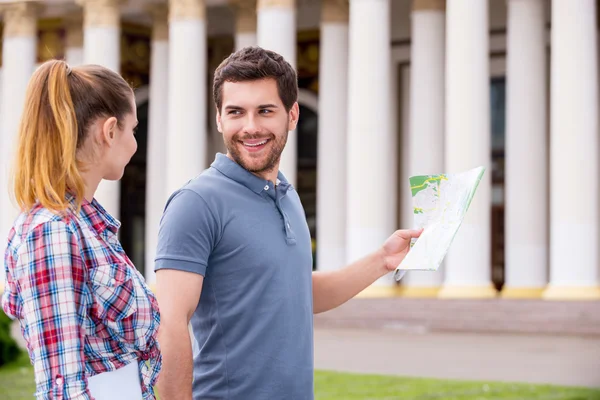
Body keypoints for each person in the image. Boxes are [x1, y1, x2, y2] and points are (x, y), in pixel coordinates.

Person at [154, 46, 421, 400]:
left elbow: (295, 291)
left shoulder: (285, 195)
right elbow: (169, 324)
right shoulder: (196, 203)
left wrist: (382, 261)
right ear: (219, 118)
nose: (250, 127)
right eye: (236, 112)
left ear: (292, 115)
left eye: (265, 111)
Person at [1, 59, 161, 400]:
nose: (134, 144)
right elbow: (63, 387)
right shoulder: (53, 233)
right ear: (109, 131)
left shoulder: (85, 225)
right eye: (133, 129)